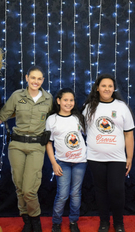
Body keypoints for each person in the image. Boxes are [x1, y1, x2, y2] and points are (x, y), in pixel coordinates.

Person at [0, 65, 53, 232]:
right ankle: (26, 222)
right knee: (20, 187)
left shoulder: (48, 99)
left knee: (29, 189)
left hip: (36, 146)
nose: (35, 81)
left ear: (43, 81)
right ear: (27, 78)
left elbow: (56, 120)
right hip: (17, 146)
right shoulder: (17, 96)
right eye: (33, 77)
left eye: (39, 78)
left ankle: (36, 220)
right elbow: (2, 115)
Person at [82, 74, 135, 232]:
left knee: (116, 190)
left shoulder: (121, 106)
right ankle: (104, 222)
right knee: (101, 191)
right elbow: (81, 129)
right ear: (97, 88)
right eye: (103, 86)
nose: (107, 89)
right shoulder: (89, 107)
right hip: (94, 157)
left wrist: (130, 157)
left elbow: (129, 134)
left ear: (114, 88)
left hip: (117, 158)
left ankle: (119, 223)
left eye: (110, 86)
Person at [46, 88, 87, 232]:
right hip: (62, 162)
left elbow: (87, 134)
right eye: (65, 100)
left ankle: (73, 221)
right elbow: (48, 143)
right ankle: (56, 222)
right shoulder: (52, 119)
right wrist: (54, 163)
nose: (68, 103)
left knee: (75, 193)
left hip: (80, 161)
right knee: (62, 194)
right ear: (58, 101)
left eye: (71, 100)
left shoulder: (78, 118)